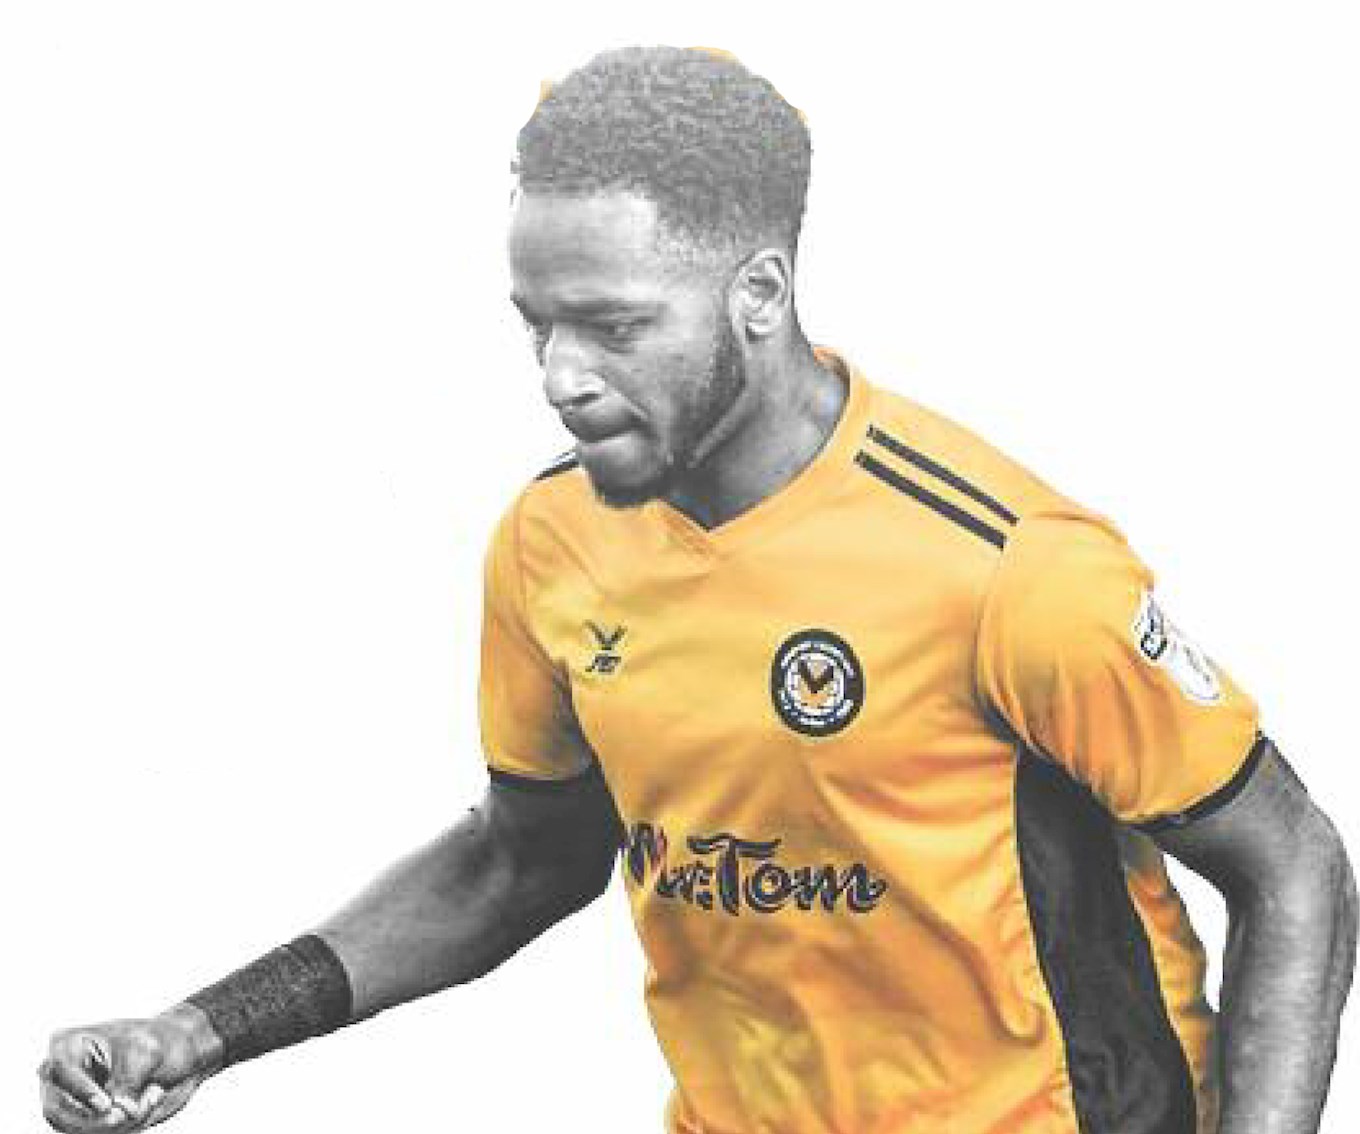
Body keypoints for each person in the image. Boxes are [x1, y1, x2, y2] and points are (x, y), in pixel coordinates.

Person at [39, 45, 1356, 1134]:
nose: (561, 376)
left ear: (758, 294)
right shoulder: (554, 542)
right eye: (538, 324)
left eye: (614, 327)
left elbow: (1293, 865)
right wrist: (203, 1027)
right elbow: (522, 855)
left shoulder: (1012, 566)